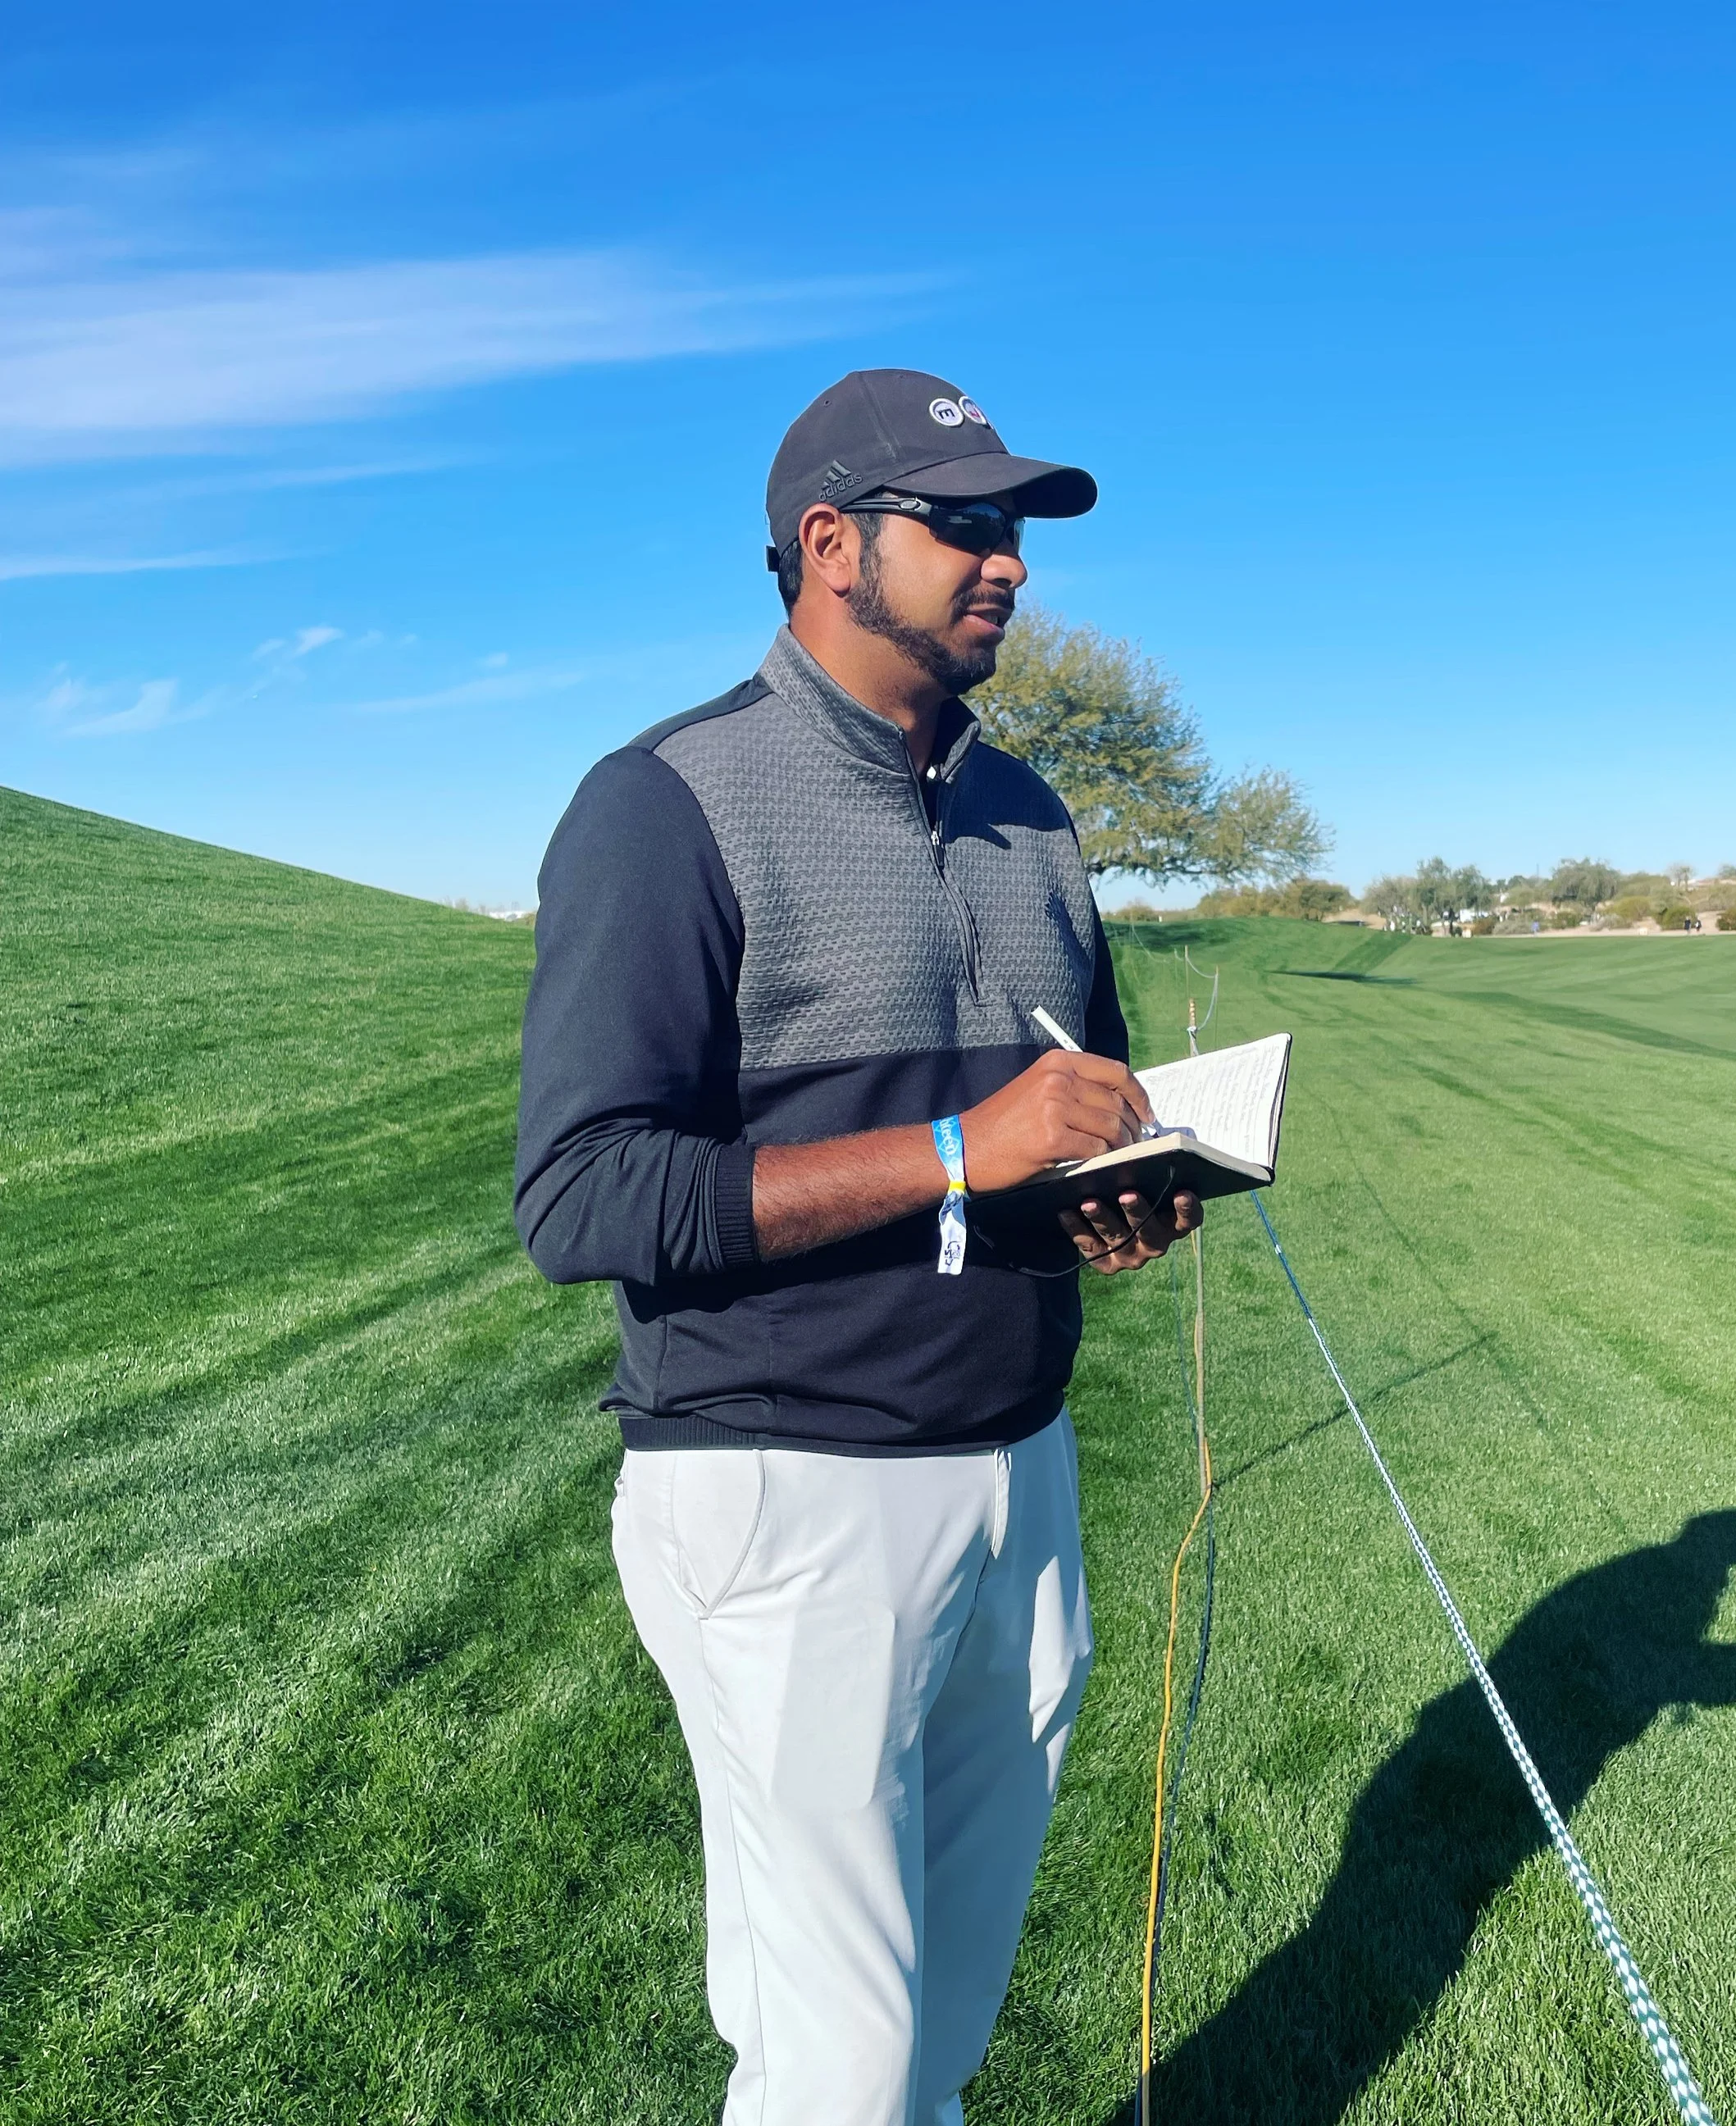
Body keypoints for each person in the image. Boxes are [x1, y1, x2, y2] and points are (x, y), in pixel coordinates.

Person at [514, 368, 1201, 2126]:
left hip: (1018, 1472)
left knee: (929, 2033)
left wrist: (1113, 1192)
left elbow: (1064, 1114)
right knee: (846, 2061)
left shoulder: (1035, 816)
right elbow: (586, 1196)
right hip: (784, 1488)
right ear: (828, 544)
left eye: (1015, 533)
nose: (1008, 569)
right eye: (962, 525)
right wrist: (969, 1147)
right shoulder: (665, 801)